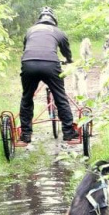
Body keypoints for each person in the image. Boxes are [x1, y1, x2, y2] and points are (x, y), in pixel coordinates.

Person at [19, 7, 79, 143]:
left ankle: (26, 134)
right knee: (60, 97)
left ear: (39, 19)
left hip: (29, 63)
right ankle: (68, 132)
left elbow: (26, 49)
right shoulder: (59, 32)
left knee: (27, 98)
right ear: (54, 20)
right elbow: (66, 52)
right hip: (51, 65)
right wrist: (69, 61)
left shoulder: (30, 31)